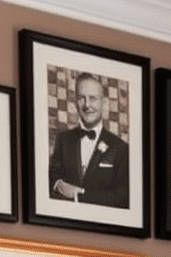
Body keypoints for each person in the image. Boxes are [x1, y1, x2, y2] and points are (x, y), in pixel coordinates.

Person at [48, 72, 129, 208]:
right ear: (75, 102)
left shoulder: (120, 148)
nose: (87, 105)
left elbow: (122, 197)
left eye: (93, 99)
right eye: (81, 98)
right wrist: (58, 184)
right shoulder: (63, 139)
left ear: (103, 102)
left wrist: (81, 193)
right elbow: (51, 176)